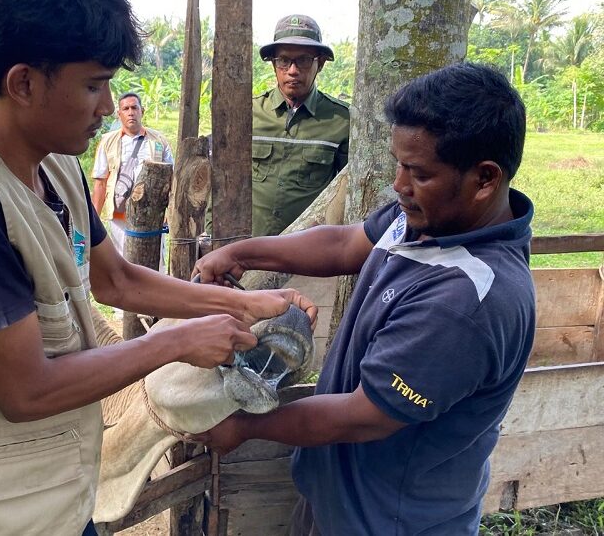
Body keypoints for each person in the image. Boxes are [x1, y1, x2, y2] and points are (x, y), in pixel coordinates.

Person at [0, 0, 315, 535]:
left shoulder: (55, 163)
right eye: (93, 84)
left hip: (54, 496)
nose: (109, 105)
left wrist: (242, 306)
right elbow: (27, 390)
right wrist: (178, 340)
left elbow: (118, 282)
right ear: (23, 83)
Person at [192, 63, 537, 535]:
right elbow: (344, 244)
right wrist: (243, 251)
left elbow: (363, 416)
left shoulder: (466, 301)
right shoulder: (431, 218)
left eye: (417, 171)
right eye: (399, 163)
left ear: (484, 179)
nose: (399, 184)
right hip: (339, 500)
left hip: (390, 521)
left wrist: (245, 427)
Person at [251, 14, 350, 236]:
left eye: (304, 60)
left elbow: (347, 191)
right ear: (274, 64)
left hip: (307, 254)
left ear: (320, 64)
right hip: (247, 248)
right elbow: (221, 183)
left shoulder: (341, 120)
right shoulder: (250, 115)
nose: (293, 70)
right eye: (284, 61)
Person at [91, 91, 173, 265]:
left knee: (155, 262)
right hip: (120, 216)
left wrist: (171, 214)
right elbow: (100, 183)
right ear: (119, 114)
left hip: (152, 215)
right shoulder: (107, 142)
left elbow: (172, 179)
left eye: (134, 108)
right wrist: (92, 220)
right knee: (123, 262)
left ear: (142, 111)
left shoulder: (159, 141)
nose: (130, 112)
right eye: (126, 109)